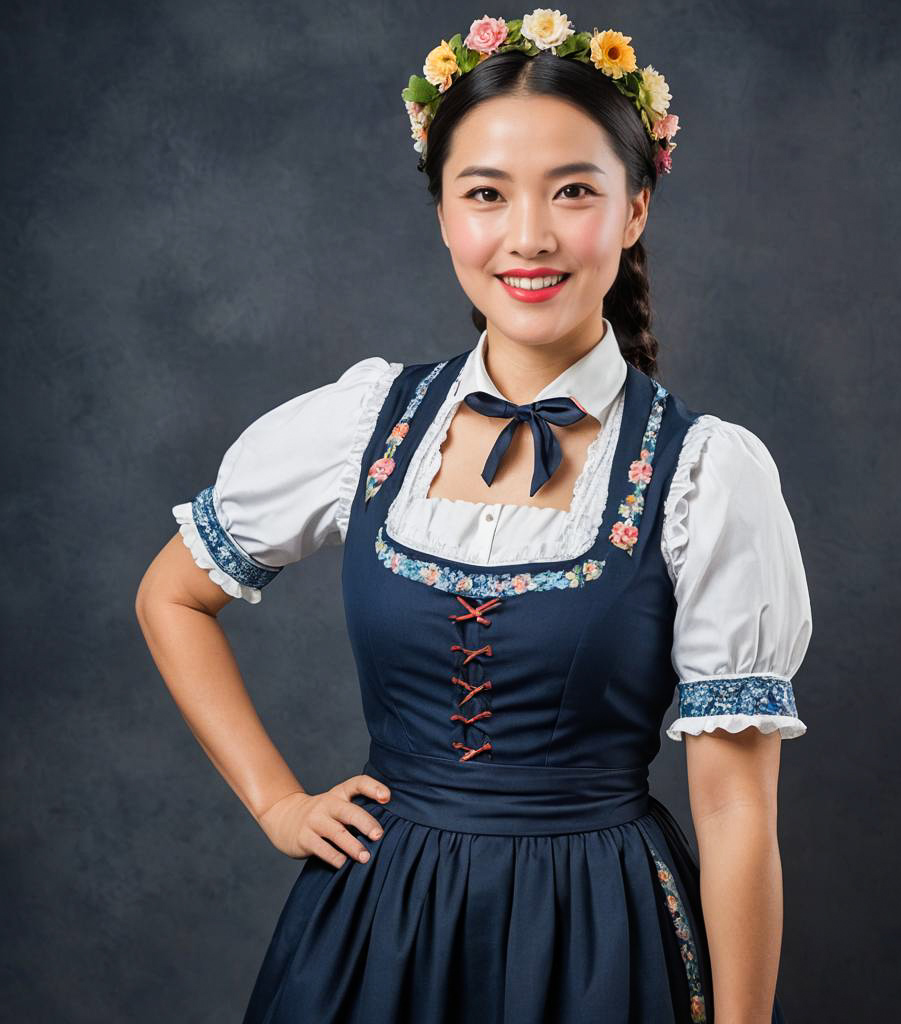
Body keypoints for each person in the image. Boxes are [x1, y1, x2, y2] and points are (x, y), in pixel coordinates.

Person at [136, 11, 812, 1023]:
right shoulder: (363, 423)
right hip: (375, 924)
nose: (528, 236)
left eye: (574, 191)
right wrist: (278, 801)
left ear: (633, 210)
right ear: (445, 214)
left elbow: (732, 810)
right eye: (486, 194)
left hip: (602, 933)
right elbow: (172, 595)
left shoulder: (705, 473)